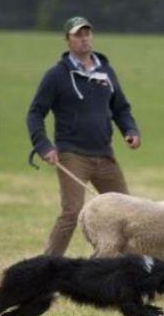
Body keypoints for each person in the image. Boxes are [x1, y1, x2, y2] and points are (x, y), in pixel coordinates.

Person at [26, 16, 141, 256]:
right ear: (67, 40)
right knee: (72, 212)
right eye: (78, 34)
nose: (84, 38)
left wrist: (130, 130)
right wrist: (43, 146)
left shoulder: (106, 72)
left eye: (87, 33)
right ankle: (46, 268)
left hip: (104, 154)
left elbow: (121, 108)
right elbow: (36, 113)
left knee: (129, 213)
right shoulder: (56, 75)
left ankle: (140, 271)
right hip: (72, 155)